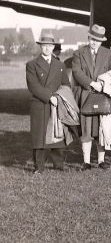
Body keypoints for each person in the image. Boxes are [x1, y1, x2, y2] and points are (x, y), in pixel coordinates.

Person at [72, 24, 111, 170]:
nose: (94, 42)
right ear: (88, 37)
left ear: (102, 41)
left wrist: (103, 85)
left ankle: (101, 160)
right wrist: (91, 83)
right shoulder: (79, 53)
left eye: (98, 40)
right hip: (85, 95)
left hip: (103, 96)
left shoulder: (109, 54)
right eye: (92, 39)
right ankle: (86, 161)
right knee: (86, 129)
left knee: (101, 128)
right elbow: (77, 72)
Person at [26, 32, 71, 173]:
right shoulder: (32, 64)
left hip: (56, 104)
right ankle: (39, 166)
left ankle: (59, 164)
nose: (47, 48)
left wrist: (59, 97)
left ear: (53, 47)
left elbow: (66, 84)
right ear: (41, 47)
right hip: (40, 104)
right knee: (39, 136)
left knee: (58, 133)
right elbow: (33, 86)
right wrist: (49, 97)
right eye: (44, 46)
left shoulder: (60, 65)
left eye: (49, 46)